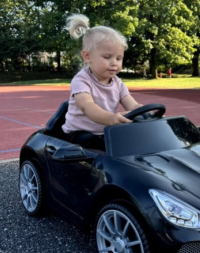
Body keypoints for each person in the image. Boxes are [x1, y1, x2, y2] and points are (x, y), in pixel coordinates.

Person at [61, 14, 142, 151]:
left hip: (106, 131)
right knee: (99, 146)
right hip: (79, 133)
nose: (114, 63)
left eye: (119, 58)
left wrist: (146, 113)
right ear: (87, 56)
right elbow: (88, 106)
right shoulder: (81, 80)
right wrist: (111, 118)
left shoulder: (118, 83)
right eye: (107, 57)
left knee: (136, 140)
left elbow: (132, 105)